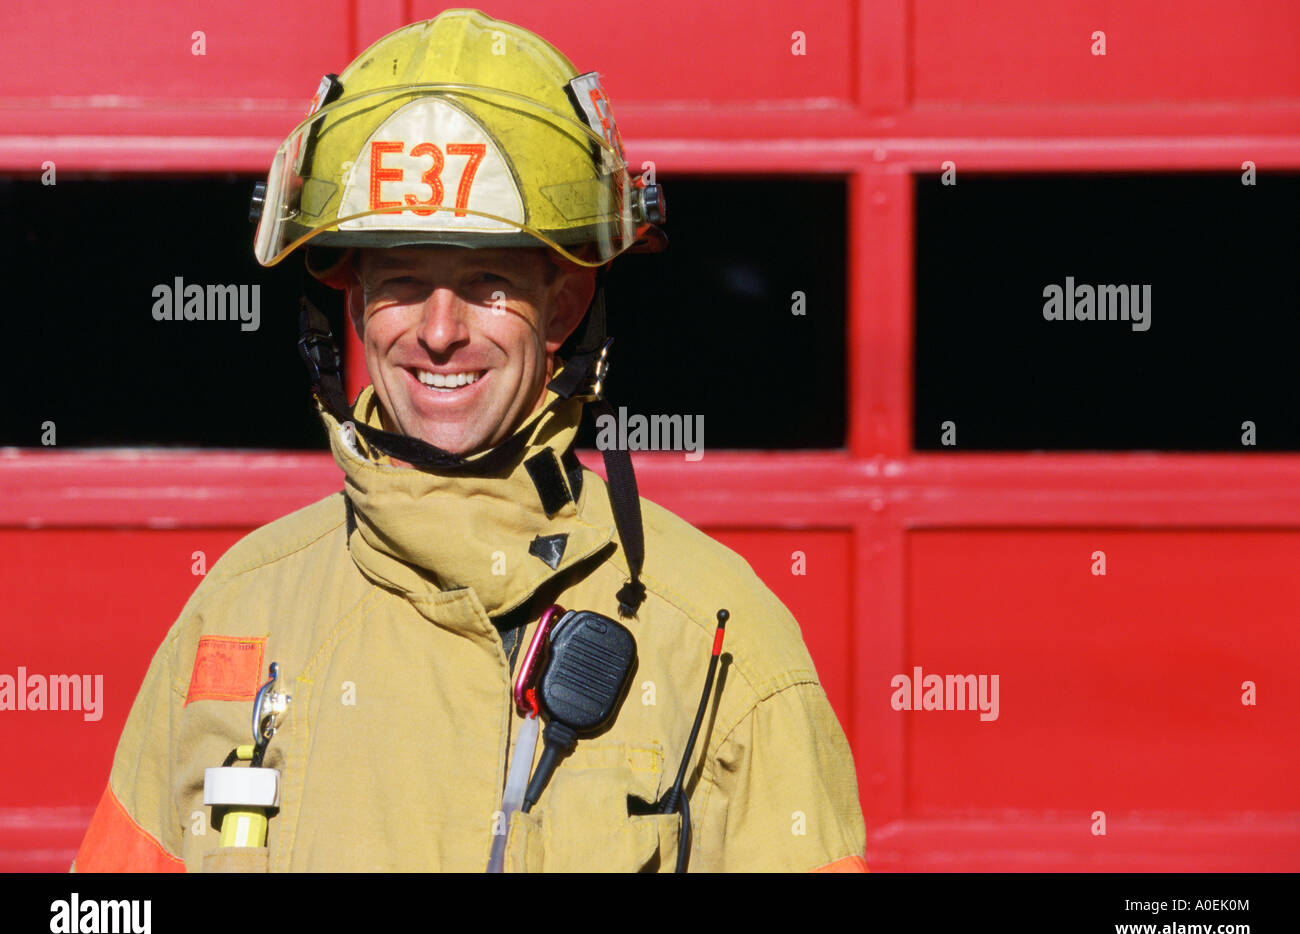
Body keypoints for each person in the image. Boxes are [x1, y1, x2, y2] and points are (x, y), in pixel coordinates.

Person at [73, 8, 867, 872]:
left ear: (563, 306)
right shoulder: (237, 619)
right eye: (403, 280)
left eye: (487, 284)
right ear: (353, 307)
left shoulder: (719, 641)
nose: (439, 331)